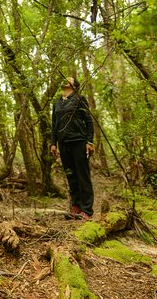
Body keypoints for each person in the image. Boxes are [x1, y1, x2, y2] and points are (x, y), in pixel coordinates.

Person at [50, 76, 95, 220]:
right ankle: (75, 206)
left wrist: (89, 141)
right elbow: (54, 125)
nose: (65, 80)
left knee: (83, 176)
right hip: (64, 144)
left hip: (79, 142)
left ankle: (86, 210)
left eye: (69, 79)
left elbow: (88, 121)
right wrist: (53, 143)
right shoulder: (57, 102)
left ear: (74, 85)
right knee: (71, 176)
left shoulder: (79, 99)